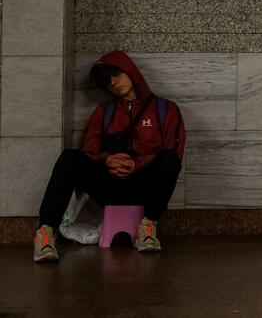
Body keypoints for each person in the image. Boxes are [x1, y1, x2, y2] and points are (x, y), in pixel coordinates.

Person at [33, 51, 186, 263]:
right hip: (108, 186)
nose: (113, 82)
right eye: (106, 80)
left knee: (169, 160)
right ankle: (46, 233)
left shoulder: (165, 109)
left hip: (146, 186)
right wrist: (107, 160)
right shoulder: (104, 112)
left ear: (130, 70)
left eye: (115, 74)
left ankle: (148, 226)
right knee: (69, 158)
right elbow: (89, 149)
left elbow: (174, 149)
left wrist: (137, 163)